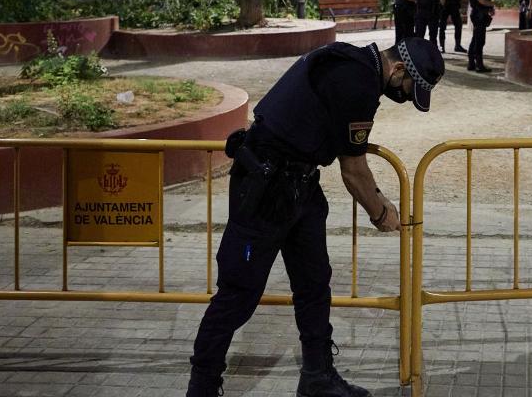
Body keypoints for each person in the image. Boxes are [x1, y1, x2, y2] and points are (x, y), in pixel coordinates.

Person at [187, 38, 446, 397]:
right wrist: (382, 212)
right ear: (398, 69)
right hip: (265, 188)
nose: (402, 95)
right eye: (406, 88)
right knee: (238, 292)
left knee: (313, 284)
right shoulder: (356, 82)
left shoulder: (350, 61)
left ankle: (318, 377)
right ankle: (202, 386)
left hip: (300, 183)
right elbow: (354, 171)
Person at [467, 0, 495, 72]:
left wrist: (490, 7)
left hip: (480, 14)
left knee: (475, 39)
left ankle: (471, 63)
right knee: (479, 41)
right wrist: (493, 4)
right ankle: (479, 65)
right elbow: (482, 0)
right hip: (479, 15)